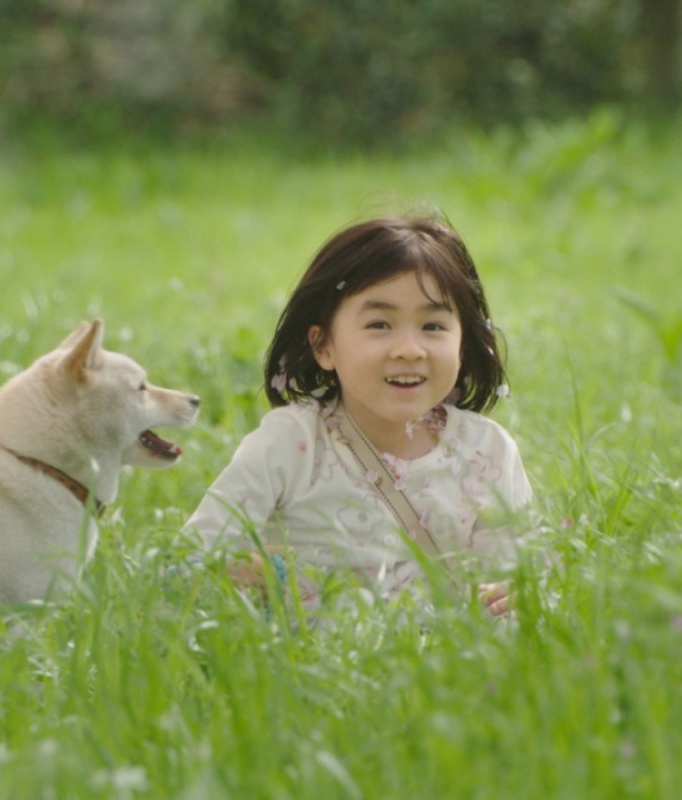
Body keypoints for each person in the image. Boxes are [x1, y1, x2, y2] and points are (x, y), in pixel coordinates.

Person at [183, 214, 531, 617]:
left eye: (433, 326)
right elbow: (195, 556)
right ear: (323, 345)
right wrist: (266, 575)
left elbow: (517, 577)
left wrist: (516, 596)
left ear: (463, 345)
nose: (409, 349)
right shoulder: (289, 446)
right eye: (379, 324)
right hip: (309, 669)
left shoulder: (486, 451)